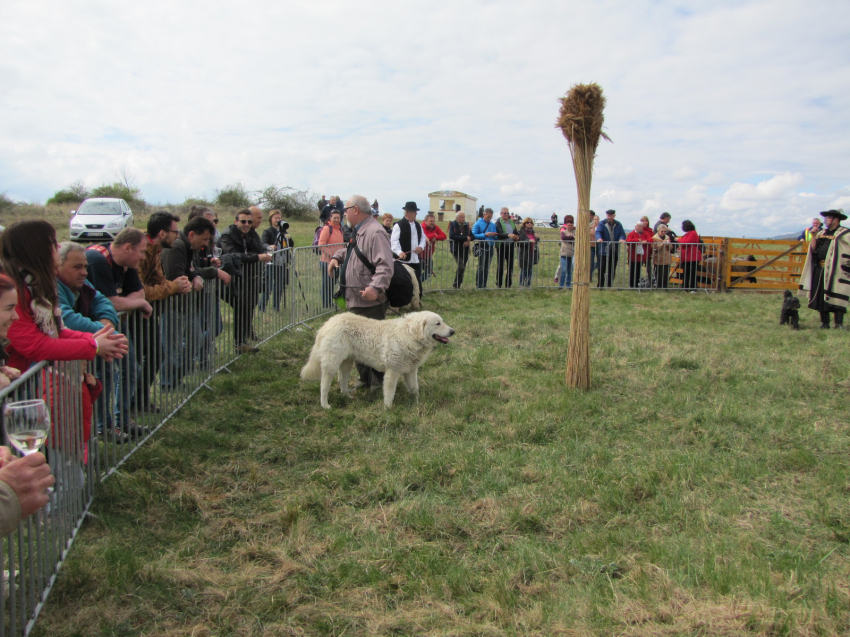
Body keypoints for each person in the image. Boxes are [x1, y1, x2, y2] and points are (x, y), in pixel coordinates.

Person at [1, 221, 128, 373]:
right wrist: (93, 345)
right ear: (36, 249)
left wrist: (98, 339)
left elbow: (57, 331)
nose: (59, 247)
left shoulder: (33, 285)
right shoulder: (15, 288)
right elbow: (34, 345)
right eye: (54, 243)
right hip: (19, 378)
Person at [85, 228, 153, 424]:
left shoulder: (126, 263)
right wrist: (137, 303)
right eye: (141, 251)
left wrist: (135, 301)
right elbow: (111, 303)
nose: (142, 257)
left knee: (130, 369)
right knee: (103, 375)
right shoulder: (96, 259)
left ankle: (120, 420)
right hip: (94, 330)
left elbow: (139, 294)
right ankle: (104, 425)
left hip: (111, 326)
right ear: (128, 247)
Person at [56, 242, 123, 439]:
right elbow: (67, 320)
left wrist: (106, 327)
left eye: (85, 266)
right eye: (77, 267)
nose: (85, 272)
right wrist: (105, 332)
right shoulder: (52, 287)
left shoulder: (83, 284)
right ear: (56, 266)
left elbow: (103, 302)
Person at [327, 195, 394, 389]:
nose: (344, 213)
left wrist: (375, 287)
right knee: (358, 345)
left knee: (374, 346)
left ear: (355, 210)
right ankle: (366, 380)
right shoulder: (361, 230)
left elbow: (385, 265)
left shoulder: (375, 232)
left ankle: (379, 384)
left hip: (370, 302)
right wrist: (337, 257)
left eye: (346, 209)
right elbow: (353, 251)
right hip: (357, 299)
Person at [137, 212, 192, 406]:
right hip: (133, 314)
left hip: (146, 313)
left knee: (156, 353)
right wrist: (173, 287)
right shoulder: (141, 251)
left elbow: (159, 282)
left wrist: (175, 285)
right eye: (175, 232)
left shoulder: (155, 251)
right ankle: (126, 409)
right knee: (133, 363)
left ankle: (140, 399)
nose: (177, 236)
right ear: (162, 233)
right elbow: (140, 291)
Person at [160, 216, 215, 389]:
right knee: (172, 347)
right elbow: (175, 277)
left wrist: (196, 276)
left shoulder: (188, 247)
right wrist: (192, 281)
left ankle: (175, 378)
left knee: (196, 340)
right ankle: (168, 382)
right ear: (191, 234)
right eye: (204, 239)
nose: (205, 244)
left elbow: (190, 270)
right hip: (172, 307)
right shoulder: (177, 247)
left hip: (186, 306)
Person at [220, 209, 273, 353]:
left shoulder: (250, 233)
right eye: (243, 221)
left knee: (245, 307)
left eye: (249, 222)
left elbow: (257, 247)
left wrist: (266, 249)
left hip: (245, 278)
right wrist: (256, 257)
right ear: (235, 221)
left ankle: (242, 341)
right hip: (227, 280)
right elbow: (232, 255)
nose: (246, 224)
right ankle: (238, 343)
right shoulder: (227, 235)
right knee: (240, 308)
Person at [800, 209, 850, 329]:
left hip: (837, 269)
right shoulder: (821, 232)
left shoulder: (845, 234)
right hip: (820, 268)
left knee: (838, 293)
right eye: (825, 218)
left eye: (828, 218)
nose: (825, 220)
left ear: (836, 219)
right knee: (821, 295)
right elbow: (814, 248)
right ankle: (824, 322)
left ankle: (838, 323)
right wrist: (812, 236)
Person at [260, 209, 294, 312]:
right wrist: (269, 247)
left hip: (282, 263)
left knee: (279, 287)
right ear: (271, 219)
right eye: (275, 218)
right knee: (268, 287)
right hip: (271, 262)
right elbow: (263, 243)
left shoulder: (284, 232)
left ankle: (276, 308)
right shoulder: (267, 231)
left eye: (279, 218)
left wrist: (288, 237)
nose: (278, 220)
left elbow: (291, 244)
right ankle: (262, 308)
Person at [391, 202, 427, 296]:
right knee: (402, 282)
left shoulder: (418, 225)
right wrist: (399, 252)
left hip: (415, 260)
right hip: (403, 261)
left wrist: (421, 247)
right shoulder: (398, 225)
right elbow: (394, 241)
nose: (416, 214)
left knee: (417, 281)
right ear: (408, 213)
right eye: (414, 212)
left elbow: (423, 238)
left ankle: (417, 301)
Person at [317, 210, 345, 308]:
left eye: (338, 218)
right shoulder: (327, 229)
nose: (337, 220)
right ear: (330, 218)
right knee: (327, 284)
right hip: (326, 261)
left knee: (332, 284)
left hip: (336, 262)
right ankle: (326, 304)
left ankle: (330, 303)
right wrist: (333, 256)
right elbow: (321, 245)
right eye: (335, 218)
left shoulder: (340, 229)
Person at [595, 209, 626, 287]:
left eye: (611, 215)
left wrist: (621, 238)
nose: (610, 217)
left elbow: (622, 233)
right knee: (602, 267)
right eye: (608, 215)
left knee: (612, 268)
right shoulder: (602, 223)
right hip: (603, 249)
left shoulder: (618, 224)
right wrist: (599, 238)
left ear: (614, 215)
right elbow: (598, 232)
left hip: (614, 250)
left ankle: (609, 284)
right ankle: (600, 285)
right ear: (606, 215)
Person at [472, 208, 498, 288]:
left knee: (487, 267)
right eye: (488, 217)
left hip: (490, 247)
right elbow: (473, 234)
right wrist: (484, 235)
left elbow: (496, 237)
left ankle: (484, 284)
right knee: (481, 267)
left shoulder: (492, 225)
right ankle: (479, 285)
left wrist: (494, 235)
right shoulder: (477, 224)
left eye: (490, 217)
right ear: (484, 215)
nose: (489, 219)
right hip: (482, 247)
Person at [494, 207, 519, 288]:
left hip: (511, 246)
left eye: (507, 213)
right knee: (501, 266)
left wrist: (517, 237)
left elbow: (515, 232)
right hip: (501, 246)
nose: (506, 215)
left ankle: (508, 284)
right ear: (501, 214)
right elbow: (499, 234)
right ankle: (499, 284)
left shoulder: (511, 222)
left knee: (510, 266)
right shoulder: (498, 222)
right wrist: (509, 235)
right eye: (504, 213)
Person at [448, 211, 472, 288]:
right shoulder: (453, 224)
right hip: (456, 249)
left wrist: (468, 240)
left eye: (464, 217)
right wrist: (465, 238)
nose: (463, 219)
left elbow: (472, 235)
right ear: (457, 218)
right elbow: (452, 236)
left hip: (465, 249)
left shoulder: (467, 225)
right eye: (462, 217)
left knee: (462, 268)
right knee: (461, 267)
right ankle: (455, 284)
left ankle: (457, 285)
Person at [421, 213, 446, 284]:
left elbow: (444, 236)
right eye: (430, 221)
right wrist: (434, 234)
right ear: (425, 221)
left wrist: (435, 237)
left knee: (429, 272)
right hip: (419, 254)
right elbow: (424, 237)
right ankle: (415, 285)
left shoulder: (436, 227)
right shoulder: (421, 227)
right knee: (418, 272)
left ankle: (417, 284)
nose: (432, 223)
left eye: (433, 221)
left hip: (428, 254)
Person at [678, 220, 703, 289]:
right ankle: (685, 287)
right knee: (686, 272)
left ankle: (693, 287)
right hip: (687, 256)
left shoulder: (693, 233)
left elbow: (687, 242)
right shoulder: (689, 233)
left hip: (693, 256)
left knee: (692, 273)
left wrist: (678, 240)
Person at [516, 217, 539, 288]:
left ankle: (528, 285)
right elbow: (519, 243)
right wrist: (528, 241)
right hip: (524, 254)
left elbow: (536, 240)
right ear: (524, 224)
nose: (529, 224)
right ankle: (521, 285)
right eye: (528, 222)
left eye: (531, 222)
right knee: (524, 270)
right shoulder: (521, 232)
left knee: (530, 270)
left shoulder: (533, 232)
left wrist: (537, 238)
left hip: (532, 253)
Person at [626, 222, 650, 288]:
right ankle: (631, 285)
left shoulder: (645, 233)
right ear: (635, 227)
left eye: (641, 226)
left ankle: (636, 284)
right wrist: (636, 240)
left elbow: (651, 240)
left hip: (641, 256)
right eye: (638, 226)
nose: (639, 228)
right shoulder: (632, 233)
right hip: (632, 256)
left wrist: (646, 241)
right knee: (632, 270)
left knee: (638, 271)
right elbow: (628, 241)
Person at [652, 224, 674, 289]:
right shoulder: (654, 238)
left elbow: (671, 248)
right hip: (658, 258)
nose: (664, 233)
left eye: (665, 231)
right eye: (662, 231)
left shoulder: (667, 237)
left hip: (667, 258)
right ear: (658, 231)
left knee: (666, 272)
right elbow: (654, 248)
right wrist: (662, 244)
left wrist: (668, 244)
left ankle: (665, 286)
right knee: (659, 273)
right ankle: (658, 286)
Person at [558, 215, 576, 289]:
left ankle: (568, 285)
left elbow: (576, 239)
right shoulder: (564, 232)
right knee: (563, 270)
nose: (570, 226)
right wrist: (572, 238)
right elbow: (563, 238)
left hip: (571, 254)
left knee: (570, 271)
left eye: (571, 225)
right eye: (569, 225)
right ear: (566, 225)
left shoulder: (575, 232)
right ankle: (561, 285)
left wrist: (571, 239)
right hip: (564, 253)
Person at [589, 213, 600, 282]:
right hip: (592, 246)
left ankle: (600, 277)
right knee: (591, 262)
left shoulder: (601, 227)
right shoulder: (590, 227)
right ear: (593, 220)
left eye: (597, 219)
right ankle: (589, 277)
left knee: (599, 261)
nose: (596, 220)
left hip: (599, 246)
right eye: (595, 219)